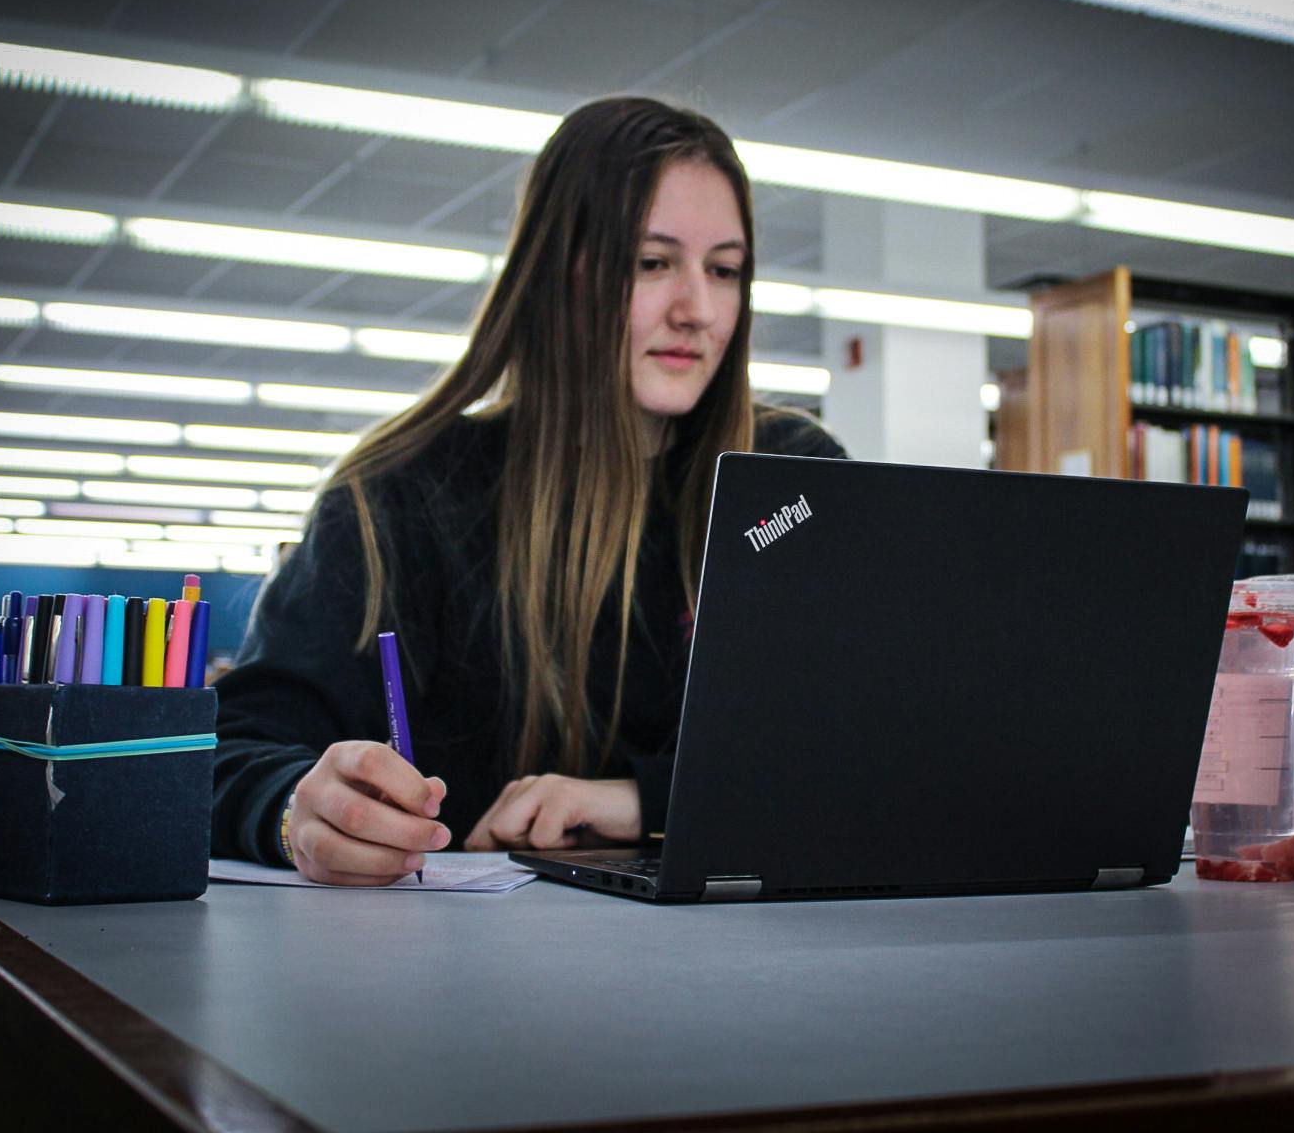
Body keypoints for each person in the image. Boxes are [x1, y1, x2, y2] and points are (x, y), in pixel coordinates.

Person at [212, 96, 846, 884]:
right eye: (652, 263)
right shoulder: (402, 496)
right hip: (461, 972)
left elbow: (857, 742)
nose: (699, 310)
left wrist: (644, 801)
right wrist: (294, 808)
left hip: (760, 970)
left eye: (725, 270)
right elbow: (238, 747)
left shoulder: (793, 484)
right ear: (560, 274)